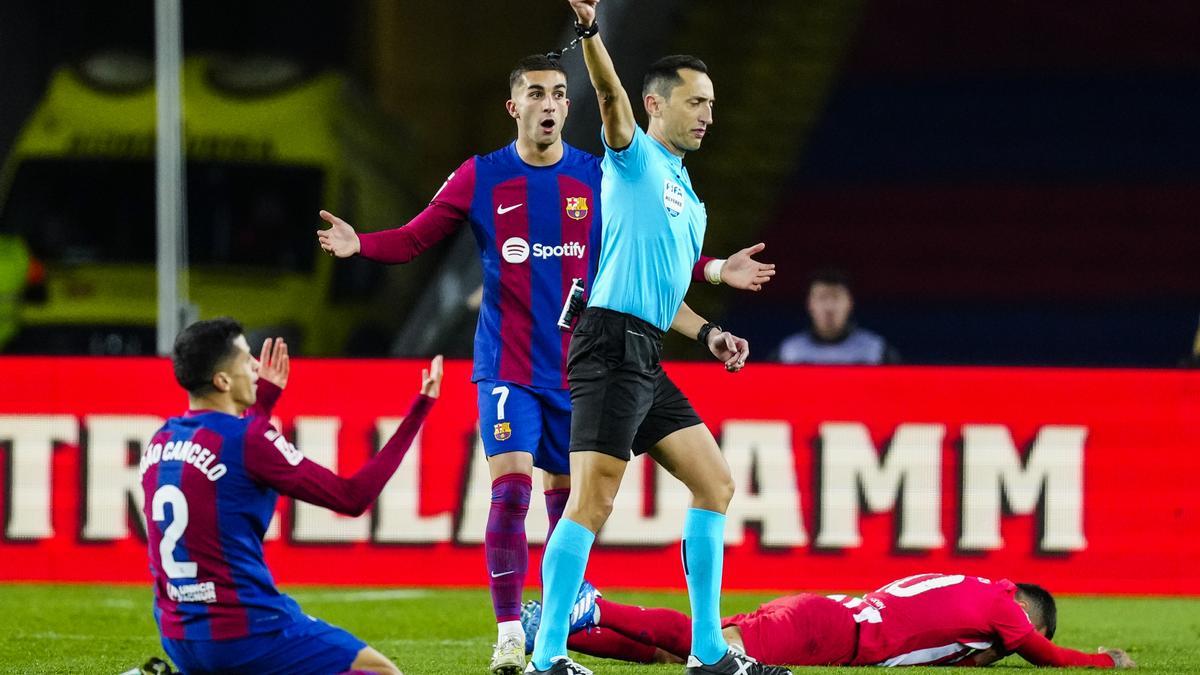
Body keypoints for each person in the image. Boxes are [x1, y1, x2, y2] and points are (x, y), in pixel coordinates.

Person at [316, 54, 774, 675]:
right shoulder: (494, 175)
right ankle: (522, 637)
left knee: (695, 484)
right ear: (516, 106)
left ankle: (702, 652)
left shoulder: (612, 179)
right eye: (538, 92)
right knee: (521, 489)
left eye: (560, 93)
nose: (552, 104)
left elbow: (644, 262)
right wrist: (361, 243)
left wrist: (713, 302)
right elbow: (418, 235)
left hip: (598, 356)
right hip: (525, 360)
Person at [528, 3, 788, 675]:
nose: (707, 114)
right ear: (656, 106)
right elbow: (610, 97)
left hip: (645, 347)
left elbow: (664, 292)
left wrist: (711, 329)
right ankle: (548, 655)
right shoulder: (635, 156)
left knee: (716, 482)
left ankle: (707, 651)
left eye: (711, 103)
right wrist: (592, 33)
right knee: (594, 499)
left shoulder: (689, 198)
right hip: (609, 342)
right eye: (695, 102)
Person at [140, 318, 442, 675]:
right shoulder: (249, 440)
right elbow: (353, 496)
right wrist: (421, 407)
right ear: (222, 381)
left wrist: (262, 400)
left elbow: (230, 460)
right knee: (381, 671)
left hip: (178, 637)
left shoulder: (162, 439)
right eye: (245, 360)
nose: (256, 366)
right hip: (245, 632)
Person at [523, 573, 1136, 669]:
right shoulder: (1006, 609)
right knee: (709, 649)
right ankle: (594, 606)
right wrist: (1101, 661)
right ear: (1026, 611)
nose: (1005, 652)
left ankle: (556, 633)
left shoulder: (971, 585)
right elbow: (1040, 652)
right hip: (832, 630)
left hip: (822, 612)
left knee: (671, 655)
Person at [776, 268, 900, 365]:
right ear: (809, 304)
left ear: (850, 303)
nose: (829, 307)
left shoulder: (878, 352)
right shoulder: (787, 353)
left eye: (836, 298)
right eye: (822, 298)